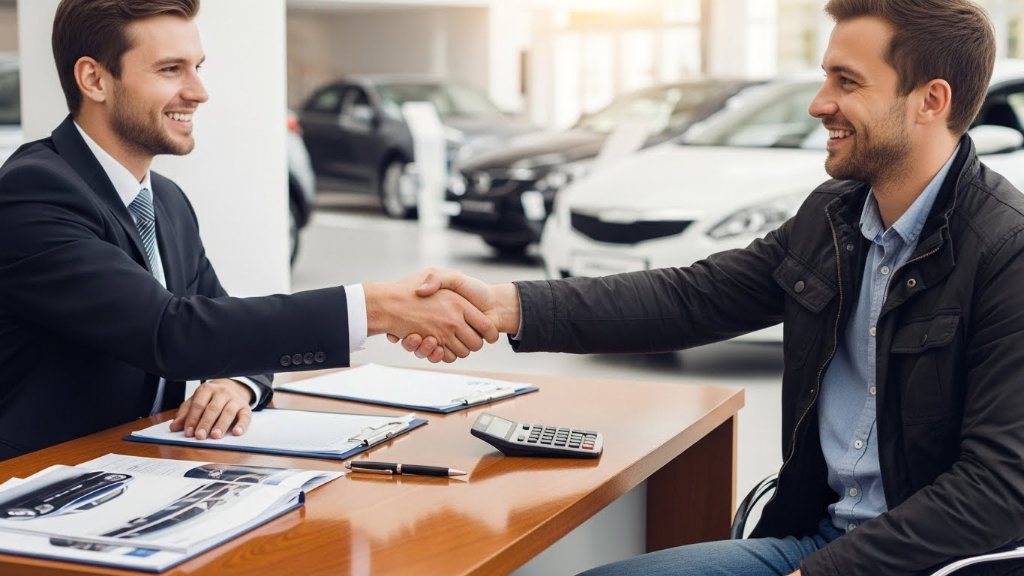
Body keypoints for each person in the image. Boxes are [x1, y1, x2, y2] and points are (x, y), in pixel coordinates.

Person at [402, 0, 1024, 574]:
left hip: (930, 565)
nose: (818, 103)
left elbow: (996, 489)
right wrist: (507, 305)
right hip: (816, 542)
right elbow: (692, 297)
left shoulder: (1006, 251)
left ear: (930, 100)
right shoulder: (833, 219)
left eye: (847, 81)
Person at [0, 0, 496, 462]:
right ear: (94, 79)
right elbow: (170, 332)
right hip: (35, 485)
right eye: (171, 69)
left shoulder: (165, 201)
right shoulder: (32, 193)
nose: (198, 91)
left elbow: (223, 325)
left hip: (135, 467)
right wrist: (379, 307)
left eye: (197, 67)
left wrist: (237, 382)